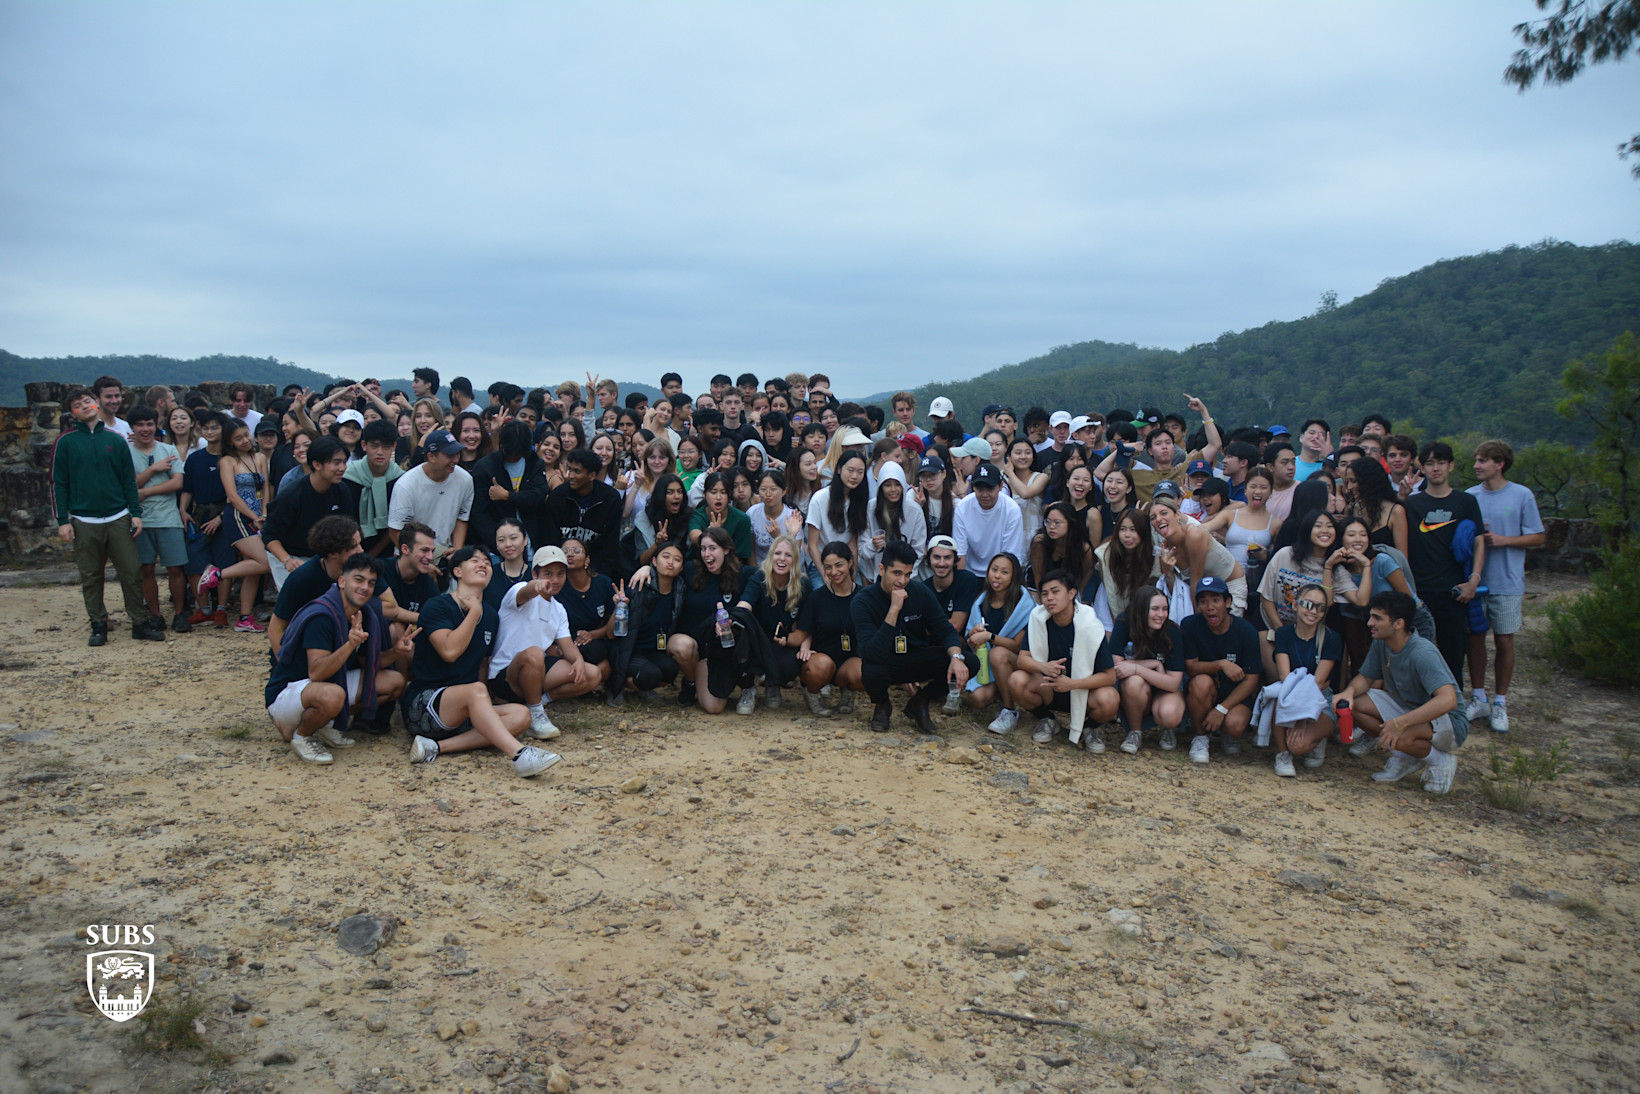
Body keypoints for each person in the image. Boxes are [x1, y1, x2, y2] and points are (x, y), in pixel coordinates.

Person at [402, 546, 561, 776]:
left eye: (487, 562)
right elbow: (449, 651)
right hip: (426, 704)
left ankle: (435, 748)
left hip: (466, 709)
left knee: (521, 715)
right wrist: (474, 612)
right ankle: (519, 755)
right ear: (457, 571)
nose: (483, 565)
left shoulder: (490, 616)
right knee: (476, 691)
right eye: (474, 561)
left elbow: (484, 664)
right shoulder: (438, 606)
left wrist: (487, 703)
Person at [266, 553, 412, 764]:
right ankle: (302, 736)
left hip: (326, 685)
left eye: (371, 583)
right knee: (334, 695)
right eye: (358, 580)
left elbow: (367, 663)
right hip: (289, 690)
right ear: (342, 581)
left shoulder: (365, 614)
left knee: (396, 682)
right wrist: (350, 644)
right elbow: (316, 673)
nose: (365, 587)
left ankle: (323, 724)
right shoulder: (322, 615)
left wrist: (396, 652)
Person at [52, 386, 159, 644]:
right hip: (84, 519)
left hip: (118, 515)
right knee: (90, 575)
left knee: (131, 572)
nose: (85, 406)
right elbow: (59, 483)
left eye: (88, 401)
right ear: (72, 413)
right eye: (78, 404)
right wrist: (63, 521)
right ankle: (98, 624)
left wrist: (135, 513)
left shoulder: (115, 439)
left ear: (96, 404)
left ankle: (139, 623)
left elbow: (127, 480)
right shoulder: (66, 442)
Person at [1337, 590, 1462, 794]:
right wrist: (1348, 692)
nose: (1369, 623)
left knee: (1401, 736)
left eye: (1377, 618)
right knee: (1354, 704)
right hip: (1409, 708)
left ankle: (1441, 761)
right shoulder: (1381, 643)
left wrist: (1400, 723)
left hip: (1449, 721)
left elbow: (1449, 700)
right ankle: (1407, 756)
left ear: (1399, 624)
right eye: (1371, 616)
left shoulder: (1423, 652)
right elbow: (1366, 678)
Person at [1465, 440, 1545, 734]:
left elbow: (1537, 536)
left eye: (1483, 460)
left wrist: (1505, 540)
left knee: (1504, 640)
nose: (1476, 465)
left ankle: (1500, 701)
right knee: (1474, 639)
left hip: (1507, 582)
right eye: (1476, 459)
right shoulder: (1470, 496)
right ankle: (1478, 697)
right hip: (1476, 581)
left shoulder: (1522, 495)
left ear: (1499, 464)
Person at [852, 540, 972, 734]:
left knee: (969, 662)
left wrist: (956, 657)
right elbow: (871, 652)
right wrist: (893, 610)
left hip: (916, 658)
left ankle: (920, 701)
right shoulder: (863, 601)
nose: (902, 581)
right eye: (897, 573)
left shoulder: (919, 592)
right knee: (870, 667)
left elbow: (945, 630)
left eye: (908, 574)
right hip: (885, 662)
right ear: (881, 569)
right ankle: (882, 705)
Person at [487, 545, 602, 740]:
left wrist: (578, 661)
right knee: (535, 653)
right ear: (534, 573)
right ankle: (535, 713)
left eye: (560, 574)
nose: (555, 580)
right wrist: (536, 586)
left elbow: (567, 645)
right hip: (506, 673)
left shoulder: (559, 609)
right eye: (548, 574)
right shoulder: (519, 590)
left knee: (592, 674)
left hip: (536, 670)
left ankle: (537, 703)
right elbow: (525, 593)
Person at [1401, 441, 1485, 689]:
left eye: (1441, 462)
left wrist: (1474, 581)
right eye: (1429, 463)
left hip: (1454, 592)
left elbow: (1479, 542)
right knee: (1416, 654)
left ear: (1451, 466)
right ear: (1422, 467)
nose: (1435, 468)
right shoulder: (1412, 504)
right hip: (1419, 592)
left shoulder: (1466, 501)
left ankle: (1453, 712)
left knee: (1454, 656)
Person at [1009, 570, 1120, 750]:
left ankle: (1088, 729)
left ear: (1071, 594)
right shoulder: (1038, 618)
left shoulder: (1090, 625)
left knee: (1110, 698)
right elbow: (1022, 660)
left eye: (1055, 592)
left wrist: (1073, 683)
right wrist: (1043, 666)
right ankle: (1048, 719)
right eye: (1044, 594)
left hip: (1082, 691)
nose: (1049, 598)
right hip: (1049, 687)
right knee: (1017, 680)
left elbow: (1109, 677)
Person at [1182, 575, 1262, 764]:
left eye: (1216, 600)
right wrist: (1221, 664)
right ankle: (1200, 737)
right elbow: (1190, 668)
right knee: (1201, 682)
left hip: (1234, 695)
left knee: (1235, 725)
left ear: (1228, 602)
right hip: (1205, 689)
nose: (1209, 606)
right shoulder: (1190, 625)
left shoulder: (1246, 631)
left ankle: (1225, 732)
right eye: (1203, 601)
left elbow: (1252, 678)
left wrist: (1222, 709)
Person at [1267, 582, 1344, 777]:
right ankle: (1282, 754)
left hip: (1320, 698)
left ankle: (1318, 738)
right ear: (1296, 605)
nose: (1313, 611)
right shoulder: (1284, 633)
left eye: (1320, 607)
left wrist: (1303, 719)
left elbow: (1320, 682)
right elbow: (1284, 676)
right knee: (1278, 696)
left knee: (1299, 746)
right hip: (1290, 692)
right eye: (1308, 604)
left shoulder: (1331, 638)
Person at [262, 436, 358, 592]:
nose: (342, 468)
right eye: (336, 462)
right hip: (289, 553)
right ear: (317, 464)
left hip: (321, 555)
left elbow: (346, 530)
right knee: (297, 600)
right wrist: (287, 560)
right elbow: (269, 534)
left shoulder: (342, 491)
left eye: (344, 462)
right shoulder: (292, 494)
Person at [125, 406, 190, 633]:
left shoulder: (167, 449)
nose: (145, 429)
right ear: (132, 428)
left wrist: (145, 492)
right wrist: (153, 470)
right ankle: (154, 614)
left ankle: (180, 613)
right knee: (146, 569)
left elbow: (177, 483)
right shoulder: (126, 453)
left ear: (156, 425)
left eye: (149, 424)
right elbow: (128, 487)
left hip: (168, 517)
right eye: (140, 425)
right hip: (140, 519)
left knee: (176, 568)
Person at [607, 539, 688, 706]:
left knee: (671, 670)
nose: (671, 562)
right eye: (665, 556)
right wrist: (620, 606)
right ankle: (616, 685)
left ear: (682, 567)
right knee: (650, 674)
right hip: (628, 650)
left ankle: (642, 687)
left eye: (677, 559)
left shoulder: (680, 588)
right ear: (654, 561)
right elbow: (610, 633)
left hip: (653, 650)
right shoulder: (639, 585)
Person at [267, 515, 363, 655]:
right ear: (333, 553)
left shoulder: (361, 572)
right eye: (354, 546)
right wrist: (284, 665)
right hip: (306, 655)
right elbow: (276, 628)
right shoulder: (302, 579)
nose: (361, 550)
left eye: (360, 544)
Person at [732, 534, 807, 713]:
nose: (782, 559)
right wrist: (733, 618)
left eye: (788, 555)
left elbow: (805, 625)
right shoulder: (759, 578)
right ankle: (748, 687)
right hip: (757, 640)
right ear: (770, 556)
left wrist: (796, 641)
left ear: (795, 560)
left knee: (791, 663)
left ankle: (773, 684)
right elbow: (745, 605)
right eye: (777, 553)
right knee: (736, 637)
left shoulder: (803, 585)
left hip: (783, 641)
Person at [1110, 585, 1187, 754]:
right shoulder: (1124, 623)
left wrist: (1138, 667)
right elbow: (1117, 667)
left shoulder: (1172, 631)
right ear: (1141, 609)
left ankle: (1167, 729)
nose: (1161, 615)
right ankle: (1135, 732)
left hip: (1165, 690)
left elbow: (1174, 683)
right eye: (1155, 609)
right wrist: (1153, 664)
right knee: (1133, 681)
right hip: (1136, 691)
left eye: (1165, 609)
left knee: (1169, 714)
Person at [963, 552, 1034, 734]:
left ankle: (1009, 711)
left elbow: (1018, 645)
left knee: (998, 653)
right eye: (994, 570)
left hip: (1017, 662)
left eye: (1004, 572)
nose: (997, 576)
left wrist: (989, 637)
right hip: (988, 665)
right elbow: (969, 637)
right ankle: (1002, 693)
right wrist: (973, 633)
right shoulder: (981, 601)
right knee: (977, 699)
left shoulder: (1023, 605)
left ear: (1014, 576)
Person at [792, 540, 863, 717]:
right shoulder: (817, 597)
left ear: (850, 562)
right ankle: (813, 693)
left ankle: (848, 690)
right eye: (828, 567)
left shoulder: (863, 596)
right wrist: (804, 648)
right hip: (821, 660)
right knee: (822, 666)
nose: (834, 572)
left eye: (839, 565)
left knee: (864, 672)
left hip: (848, 661)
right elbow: (806, 629)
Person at [214, 418, 272, 632]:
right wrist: (253, 517)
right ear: (230, 442)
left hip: (259, 515)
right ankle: (217, 575)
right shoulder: (228, 461)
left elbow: (266, 489)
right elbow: (232, 495)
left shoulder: (260, 458)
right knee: (264, 562)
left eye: (246, 435)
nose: (245, 440)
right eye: (238, 438)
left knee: (254, 569)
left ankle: (245, 618)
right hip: (238, 516)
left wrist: (264, 513)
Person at [1150, 491, 1248, 615]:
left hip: (1229, 587)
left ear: (1178, 515)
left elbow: (1196, 579)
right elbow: (1174, 589)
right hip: (1202, 593)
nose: (1158, 519)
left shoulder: (1194, 534)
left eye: (1164, 513)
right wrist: (1168, 572)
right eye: (1153, 517)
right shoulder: (1165, 548)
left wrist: (1197, 621)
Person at [388, 429, 474, 559]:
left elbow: (462, 517)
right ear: (431, 457)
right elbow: (395, 531)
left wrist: (457, 552)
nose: (455, 460)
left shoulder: (465, 479)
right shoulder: (406, 485)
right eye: (449, 455)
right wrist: (419, 560)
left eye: (457, 454)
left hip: (445, 552)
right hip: (409, 555)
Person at [541, 448, 625, 578]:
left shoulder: (610, 499)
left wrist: (600, 578)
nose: (570, 475)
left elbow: (610, 547)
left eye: (577, 471)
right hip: (562, 570)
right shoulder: (558, 497)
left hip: (597, 571)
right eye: (570, 469)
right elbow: (550, 540)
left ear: (592, 475)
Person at [467, 419, 550, 553]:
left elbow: (538, 495)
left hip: (532, 541)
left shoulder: (535, 463)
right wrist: (498, 542)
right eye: (511, 454)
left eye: (518, 454)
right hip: (495, 545)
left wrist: (508, 495)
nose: (514, 458)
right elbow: (479, 513)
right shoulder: (485, 468)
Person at [343, 419, 406, 556]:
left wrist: (374, 553)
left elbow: (397, 522)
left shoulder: (401, 480)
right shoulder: (347, 477)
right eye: (374, 446)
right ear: (364, 445)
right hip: (349, 548)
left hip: (388, 549)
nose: (380, 452)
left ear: (394, 447)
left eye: (386, 447)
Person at [805, 451, 870, 580]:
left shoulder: (860, 499)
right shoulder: (820, 499)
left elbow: (852, 543)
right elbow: (812, 545)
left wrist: (852, 575)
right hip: (821, 565)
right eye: (850, 470)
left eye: (860, 472)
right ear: (839, 469)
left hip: (846, 565)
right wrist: (826, 577)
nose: (855, 476)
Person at [952, 464, 1025, 578]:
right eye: (980, 489)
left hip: (1001, 574)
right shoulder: (962, 507)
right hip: (970, 574)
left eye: (990, 489)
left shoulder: (1012, 510)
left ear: (1001, 486)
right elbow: (961, 553)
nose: (985, 495)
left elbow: (1010, 555)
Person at [377, 520, 441, 627]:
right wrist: (424, 618)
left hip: (410, 640)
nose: (430, 557)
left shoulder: (427, 582)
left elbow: (438, 616)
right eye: (424, 550)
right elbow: (384, 610)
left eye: (432, 551)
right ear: (405, 549)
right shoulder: (379, 570)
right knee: (396, 628)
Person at [688, 470, 755, 566]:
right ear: (705, 494)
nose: (718, 497)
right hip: (699, 566)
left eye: (723, 492)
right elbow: (694, 536)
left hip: (729, 568)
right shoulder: (697, 515)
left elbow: (740, 557)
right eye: (713, 492)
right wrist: (711, 534)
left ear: (729, 495)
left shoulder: (742, 519)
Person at [921, 534, 982, 636]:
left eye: (947, 558)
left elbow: (955, 626)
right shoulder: (923, 588)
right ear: (929, 559)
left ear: (954, 560)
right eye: (936, 557)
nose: (941, 563)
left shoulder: (966, 580)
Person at [1263, 441, 1300, 523]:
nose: (1291, 467)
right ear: (1270, 467)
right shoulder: (1261, 492)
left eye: (1293, 462)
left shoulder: (1301, 490)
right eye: (1284, 463)